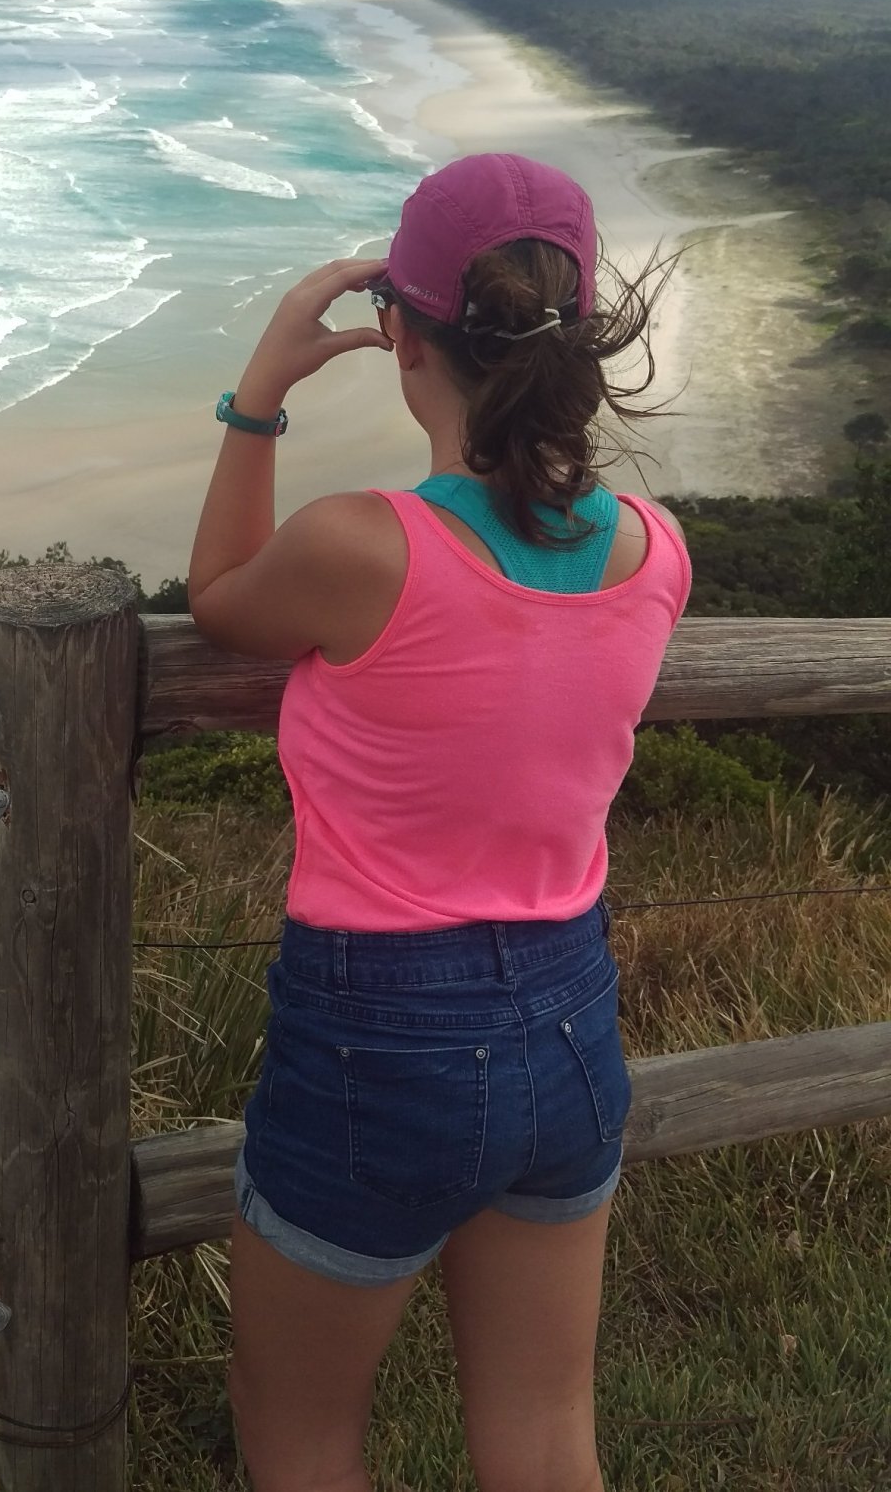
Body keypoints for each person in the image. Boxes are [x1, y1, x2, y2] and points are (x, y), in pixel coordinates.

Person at [186, 152, 691, 1492]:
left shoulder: (363, 547)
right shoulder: (656, 548)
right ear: (575, 345)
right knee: (541, 1437)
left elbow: (221, 591)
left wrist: (262, 391)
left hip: (379, 1037)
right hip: (574, 1019)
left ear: (399, 333)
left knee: (301, 1442)